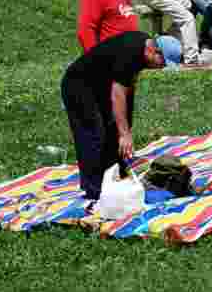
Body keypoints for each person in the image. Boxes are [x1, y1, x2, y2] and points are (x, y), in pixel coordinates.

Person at [61, 31, 181, 203]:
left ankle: (113, 177)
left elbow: (128, 87)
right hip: (78, 86)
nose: (161, 68)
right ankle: (94, 193)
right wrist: (125, 134)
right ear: (153, 51)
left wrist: (125, 127)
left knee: (112, 131)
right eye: (162, 63)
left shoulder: (142, 51)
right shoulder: (130, 53)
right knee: (93, 134)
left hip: (99, 88)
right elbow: (118, 94)